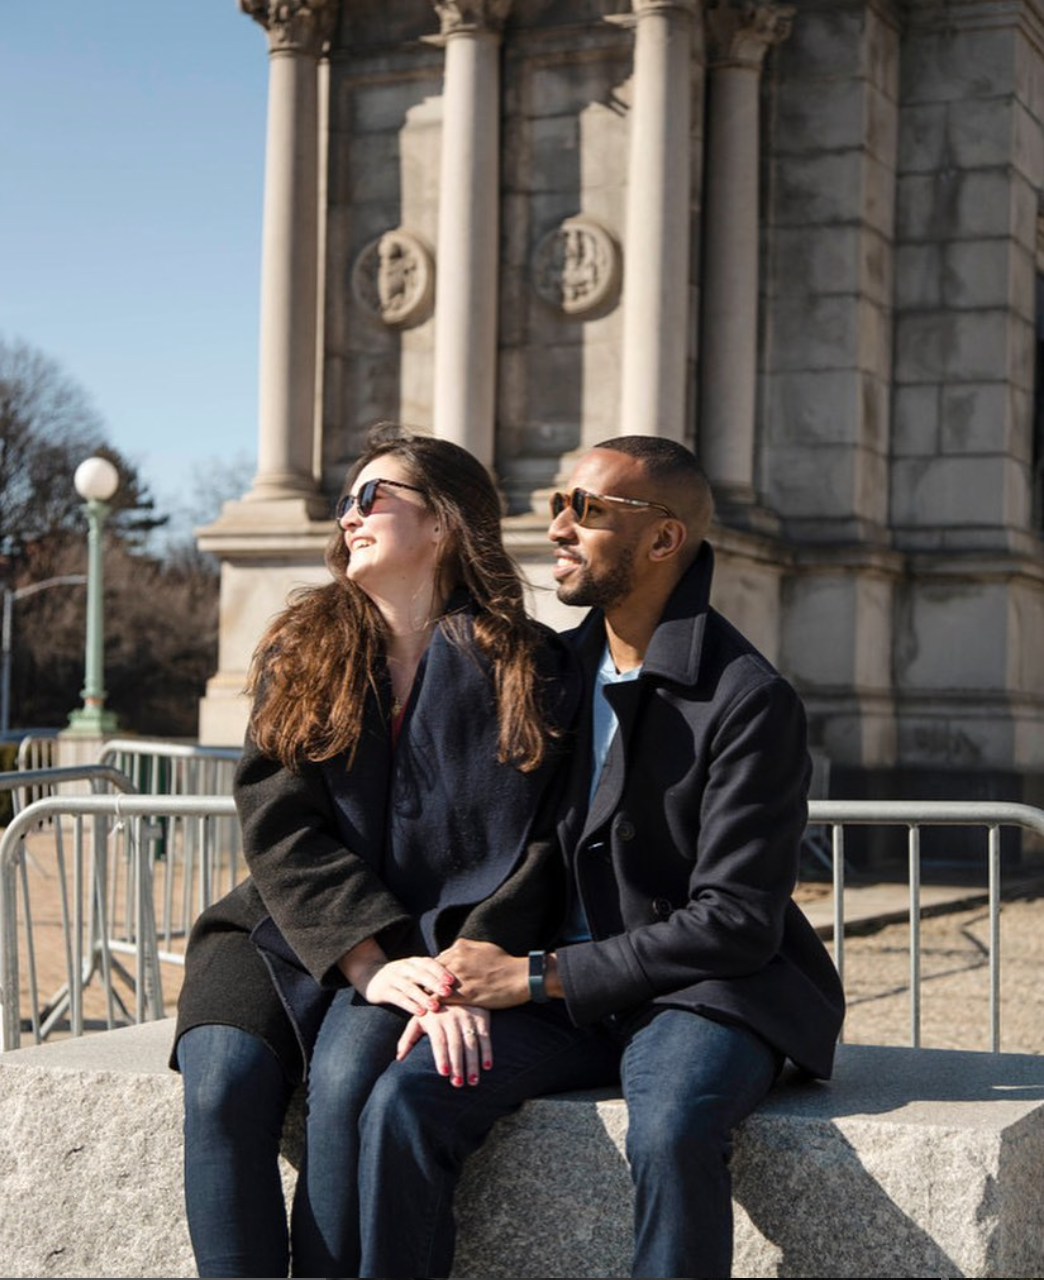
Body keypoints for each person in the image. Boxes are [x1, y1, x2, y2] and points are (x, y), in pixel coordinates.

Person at [361, 434, 846, 1279]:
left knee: (671, 1126)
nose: (557, 527)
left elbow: (734, 923)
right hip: (561, 990)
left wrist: (536, 976)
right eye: (556, 504)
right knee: (407, 1099)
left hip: (701, 991)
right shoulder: (551, 667)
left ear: (663, 539)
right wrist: (468, 961)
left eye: (585, 510)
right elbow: (506, 844)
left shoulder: (748, 699)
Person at [171, 427, 579, 1278]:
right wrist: (361, 958)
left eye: (372, 496)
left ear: (444, 524)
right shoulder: (305, 646)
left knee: (350, 1087)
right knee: (220, 1088)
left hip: (433, 940)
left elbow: (546, 841)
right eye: (345, 501)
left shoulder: (528, 665)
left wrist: (467, 970)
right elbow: (278, 821)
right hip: (288, 926)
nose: (348, 516)